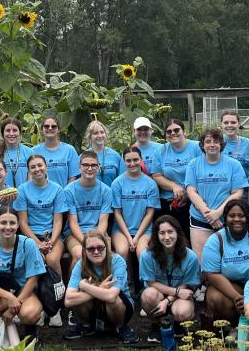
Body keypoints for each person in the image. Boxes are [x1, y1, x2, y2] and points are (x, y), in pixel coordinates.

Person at [0, 207, 46, 346]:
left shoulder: (28, 244)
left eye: (12, 223)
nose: (8, 227)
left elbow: (34, 278)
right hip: (2, 292)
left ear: (18, 224)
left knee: (29, 314)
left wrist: (16, 303)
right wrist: (9, 297)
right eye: (3, 223)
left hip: (25, 291)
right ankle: (7, 328)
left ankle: (30, 329)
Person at [13, 154, 69, 325]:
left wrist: (51, 241)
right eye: (33, 167)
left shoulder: (57, 189)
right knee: (37, 261)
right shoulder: (22, 189)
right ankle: (38, 305)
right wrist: (36, 243)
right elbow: (22, 222)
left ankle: (55, 307)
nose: (37, 169)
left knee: (52, 259)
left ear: (46, 166)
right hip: (30, 237)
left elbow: (58, 220)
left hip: (52, 235)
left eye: (40, 165)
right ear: (29, 170)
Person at [64, 230, 139, 344]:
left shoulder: (117, 261)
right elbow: (68, 300)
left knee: (112, 299)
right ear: (84, 250)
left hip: (121, 308)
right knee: (77, 297)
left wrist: (84, 285)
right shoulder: (80, 264)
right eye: (91, 248)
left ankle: (121, 327)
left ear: (106, 247)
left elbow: (111, 296)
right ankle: (87, 326)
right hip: (95, 306)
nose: (96, 251)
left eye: (100, 247)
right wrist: (100, 287)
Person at [186, 127, 248, 261]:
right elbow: (191, 191)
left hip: (226, 218)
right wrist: (208, 214)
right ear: (202, 145)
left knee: (228, 259)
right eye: (208, 141)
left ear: (222, 144)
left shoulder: (234, 165)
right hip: (200, 219)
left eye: (216, 141)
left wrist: (218, 213)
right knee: (202, 261)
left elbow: (238, 192)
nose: (212, 145)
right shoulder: (193, 165)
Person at [139, 215, 200, 344]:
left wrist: (168, 300)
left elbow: (188, 284)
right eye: (162, 233)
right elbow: (151, 283)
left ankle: (178, 325)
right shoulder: (147, 255)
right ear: (156, 235)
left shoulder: (191, 256)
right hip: (158, 292)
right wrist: (174, 293)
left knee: (182, 312)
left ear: (178, 232)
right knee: (148, 295)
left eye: (170, 232)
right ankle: (156, 325)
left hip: (180, 294)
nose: (166, 237)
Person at [110, 147, 160, 277]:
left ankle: (147, 288)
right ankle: (125, 289)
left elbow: (150, 213)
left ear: (141, 160)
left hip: (144, 230)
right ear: (124, 161)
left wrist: (136, 237)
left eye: (135, 160)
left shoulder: (150, 183)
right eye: (128, 161)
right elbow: (117, 213)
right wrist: (128, 236)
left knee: (143, 254)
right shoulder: (117, 183)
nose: (132, 164)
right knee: (121, 252)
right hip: (121, 229)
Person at [64, 150, 114, 275]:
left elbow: (103, 222)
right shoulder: (69, 190)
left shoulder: (106, 191)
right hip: (75, 234)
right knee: (79, 254)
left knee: (107, 255)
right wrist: (87, 242)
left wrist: (96, 240)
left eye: (93, 165)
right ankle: (72, 288)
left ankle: (105, 288)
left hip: (99, 232)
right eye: (85, 165)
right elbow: (73, 223)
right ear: (79, 167)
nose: (89, 168)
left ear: (98, 168)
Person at [153, 118, 201, 238]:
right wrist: (174, 186)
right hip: (169, 200)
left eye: (176, 130)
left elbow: (203, 172)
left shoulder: (196, 147)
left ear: (184, 131)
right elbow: (157, 176)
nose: (173, 133)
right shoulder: (161, 150)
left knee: (188, 236)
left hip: (193, 200)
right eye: (169, 131)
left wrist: (189, 191)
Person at [31, 115, 79, 187]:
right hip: (39, 195)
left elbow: (73, 177)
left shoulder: (69, 150)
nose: (50, 128)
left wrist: (64, 194)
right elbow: (30, 176)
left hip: (63, 195)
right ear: (42, 129)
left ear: (58, 129)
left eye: (53, 126)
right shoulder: (33, 151)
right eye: (46, 126)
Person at [0, 117, 33, 188]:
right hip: (2, 196)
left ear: (20, 132)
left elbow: (32, 177)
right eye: (8, 130)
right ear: (2, 133)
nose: (11, 133)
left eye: (14, 130)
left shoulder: (29, 152)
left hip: (24, 197)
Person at [81, 120, 123, 186]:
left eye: (102, 132)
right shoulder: (83, 156)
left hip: (111, 195)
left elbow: (121, 180)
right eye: (95, 133)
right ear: (90, 136)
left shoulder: (115, 156)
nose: (100, 135)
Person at [221, 110, 249, 180]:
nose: (229, 125)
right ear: (221, 124)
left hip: (245, 187)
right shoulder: (215, 143)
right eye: (226, 123)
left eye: (233, 122)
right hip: (222, 188)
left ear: (238, 124)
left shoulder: (248, 144)